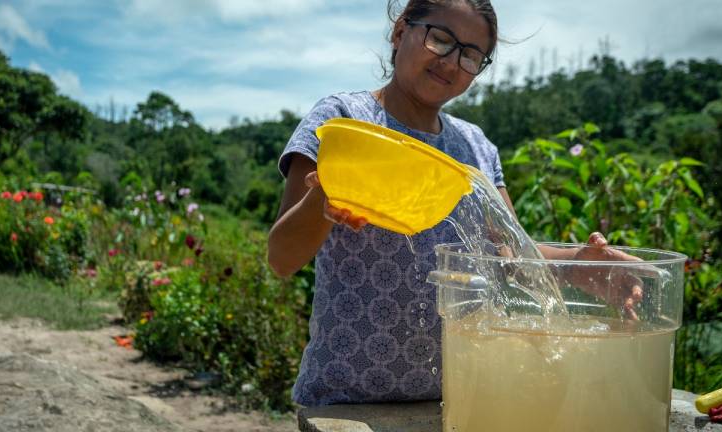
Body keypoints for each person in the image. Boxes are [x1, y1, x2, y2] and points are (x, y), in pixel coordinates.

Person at [268, 0, 642, 406]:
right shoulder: (344, 121)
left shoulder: (475, 146)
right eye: (441, 39)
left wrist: (582, 263)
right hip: (347, 399)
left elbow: (513, 256)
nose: (451, 62)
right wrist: (325, 193)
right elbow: (282, 258)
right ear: (400, 33)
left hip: (459, 398)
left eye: (470, 54)